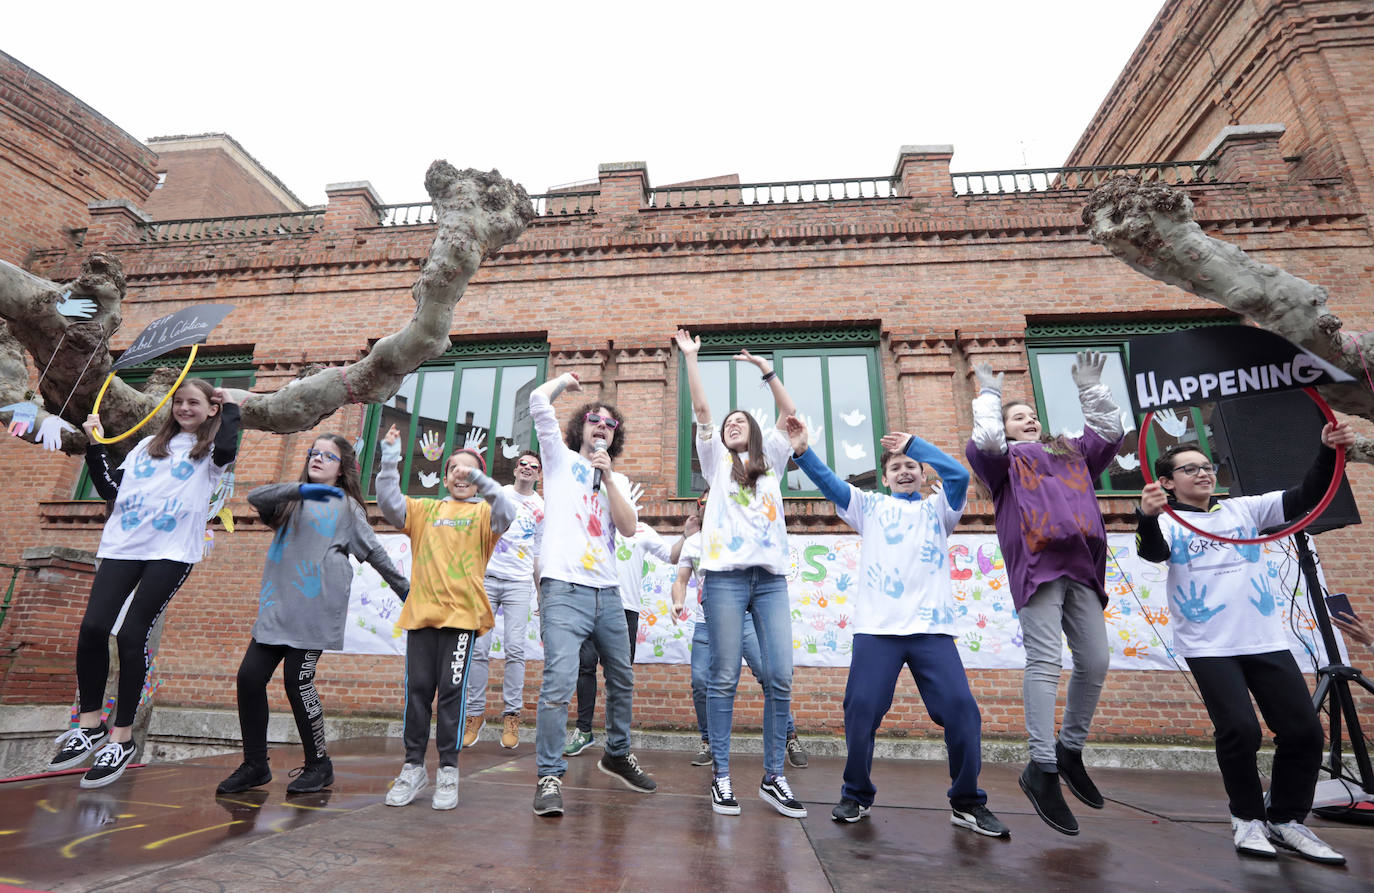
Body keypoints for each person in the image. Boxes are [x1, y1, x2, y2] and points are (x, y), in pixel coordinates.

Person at [1136, 423, 1355, 865]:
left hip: (1262, 639)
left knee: (1303, 731)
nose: (1202, 473)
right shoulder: (1168, 521)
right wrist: (1146, 515)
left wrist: (1329, 452)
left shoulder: (1243, 510)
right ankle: (1247, 819)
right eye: (1189, 468)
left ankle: (1286, 819)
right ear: (1166, 481)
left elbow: (1304, 496)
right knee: (1240, 730)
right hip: (1208, 645)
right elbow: (1152, 553)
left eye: (1206, 465)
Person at [789, 420, 1010, 837]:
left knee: (963, 711)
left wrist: (915, 443)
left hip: (933, 631)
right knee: (860, 711)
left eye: (912, 465)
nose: (905, 471)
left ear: (924, 474)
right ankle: (856, 794)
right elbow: (831, 485)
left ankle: (966, 802)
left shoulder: (939, 509)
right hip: (877, 630)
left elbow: (960, 474)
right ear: (886, 478)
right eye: (896, 468)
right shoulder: (870, 507)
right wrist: (803, 452)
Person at [50, 380, 240, 788]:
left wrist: (231, 409)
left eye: (195, 403)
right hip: (123, 545)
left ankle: (121, 739)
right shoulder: (145, 446)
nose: (184, 408)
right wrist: (95, 443)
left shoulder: (210, 452)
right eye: (179, 402)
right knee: (93, 630)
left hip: (170, 552)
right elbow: (110, 490)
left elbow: (227, 448)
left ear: (210, 409)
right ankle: (90, 726)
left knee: (132, 635)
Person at [965, 352, 1122, 835]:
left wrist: (1090, 389)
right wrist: (990, 396)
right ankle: (1041, 766)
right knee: (1045, 661)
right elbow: (986, 438)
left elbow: (1111, 434)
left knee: (1095, 661)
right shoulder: (1003, 463)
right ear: (1008, 430)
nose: (1029, 419)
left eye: (1032, 414)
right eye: (1019, 417)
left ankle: (1068, 751)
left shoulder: (1071, 452)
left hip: (1084, 568)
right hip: (1038, 567)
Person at [216, 435, 410, 796]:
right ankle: (256, 764)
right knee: (249, 679)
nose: (318, 459)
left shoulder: (348, 509)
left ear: (342, 468)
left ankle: (319, 764)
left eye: (328, 456)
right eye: (314, 453)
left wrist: (408, 594)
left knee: (296, 681)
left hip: (316, 611)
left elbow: (377, 555)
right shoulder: (291, 500)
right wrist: (301, 490)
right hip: (278, 609)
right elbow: (255, 498)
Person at [674, 328, 803, 818]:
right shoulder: (713, 463)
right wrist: (691, 359)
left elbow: (791, 418)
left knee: (780, 677)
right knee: (723, 677)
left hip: (770, 582)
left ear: (752, 428)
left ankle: (774, 777)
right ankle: (723, 776)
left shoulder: (770, 459)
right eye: (726, 423)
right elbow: (703, 413)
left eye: (737, 421)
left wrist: (767, 372)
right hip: (725, 580)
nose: (729, 425)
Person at [529, 372, 656, 817]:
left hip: (608, 592)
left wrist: (610, 478)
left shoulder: (613, 479)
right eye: (593, 420)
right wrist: (563, 380)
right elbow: (537, 401)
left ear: (614, 437)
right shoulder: (559, 460)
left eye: (609, 424)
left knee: (621, 677)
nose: (601, 426)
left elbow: (626, 527)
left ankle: (616, 753)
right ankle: (549, 774)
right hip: (563, 587)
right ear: (579, 428)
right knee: (559, 681)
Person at [375, 425, 515, 810]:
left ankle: (449, 770)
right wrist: (390, 460)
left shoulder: (486, 513)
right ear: (445, 473)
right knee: (418, 692)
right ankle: (413, 767)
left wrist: (482, 480)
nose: (461, 475)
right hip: (422, 616)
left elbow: (508, 510)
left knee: (451, 696)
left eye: (470, 470)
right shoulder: (426, 510)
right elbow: (388, 503)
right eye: (456, 468)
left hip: (461, 620)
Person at [670, 491, 808, 771]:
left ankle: (788, 735)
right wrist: (677, 601)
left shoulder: (740, 537)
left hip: (743, 621)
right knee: (700, 682)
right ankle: (708, 742)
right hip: (705, 624)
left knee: (770, 675)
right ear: (700, 510)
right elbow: (681, 579)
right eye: (706, 505)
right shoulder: (694, 543)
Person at [564, 497, 685, 759]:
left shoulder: (642, 531)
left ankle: (617, 740)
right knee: (585, 665)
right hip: (590, 605)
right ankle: (583, 731)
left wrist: (686, 535)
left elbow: (671, 556)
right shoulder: (594, 524)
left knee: (619, 675)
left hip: (625, 610)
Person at [464, 448, 543, 750]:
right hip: (487, 578)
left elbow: (537, 554)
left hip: (519, 583)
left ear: (538, 474)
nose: (527, 468)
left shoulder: (541, 508)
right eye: (522, 463)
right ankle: (475, 715)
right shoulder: (499, 495)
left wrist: (540, 593)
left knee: (514, 649)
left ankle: (511, 716)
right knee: (480, 648)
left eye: (533, 466)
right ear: (514, 469)